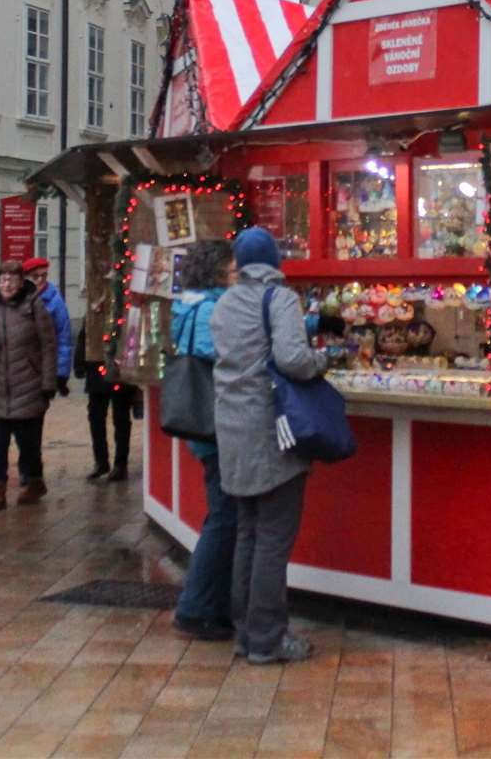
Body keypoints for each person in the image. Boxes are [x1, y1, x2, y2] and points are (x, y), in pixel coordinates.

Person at [211, 227, 326, 664]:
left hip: (233, 431)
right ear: (274, 259)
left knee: (248, 534)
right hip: (270, 433)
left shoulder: (224, 303)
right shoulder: (279, 299)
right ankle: (267, 639)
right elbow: (293, 359)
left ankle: (246, 633)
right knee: (274, 539)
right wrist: (322, 361)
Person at [168, 241, 238, 642]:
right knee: (223, 520)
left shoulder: (188, 305)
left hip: (204, 427)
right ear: (215, 272)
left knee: (222, 518)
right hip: (217, 426)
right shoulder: (212, 311)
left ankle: (214, 607)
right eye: (231, 270)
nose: (236, 275)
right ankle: (195, 609)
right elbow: (229, 361)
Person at [0, 260, 57, 510]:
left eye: (12, 280)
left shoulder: (34, 306)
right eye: (3, 280)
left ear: (21, 283)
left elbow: (48, 345)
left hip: (29, 383)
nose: (7, 285)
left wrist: (48, 382)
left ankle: (33, 481)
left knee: (28, 441)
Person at [74, 311, 136, 481]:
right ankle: (101, 461)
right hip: (97, 368)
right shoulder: (94, 310)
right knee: (96, 417)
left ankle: (120, 464)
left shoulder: (125, 308)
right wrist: (79, 362)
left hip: (119, 370)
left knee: (121, 418)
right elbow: (85, 335)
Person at [23, 256, 73, 401]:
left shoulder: (55, 300)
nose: (40, 280)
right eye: (35, 276)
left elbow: (64, 337)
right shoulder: (19, 298)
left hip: (44, 365)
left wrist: (62, 373)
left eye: (43, 276)